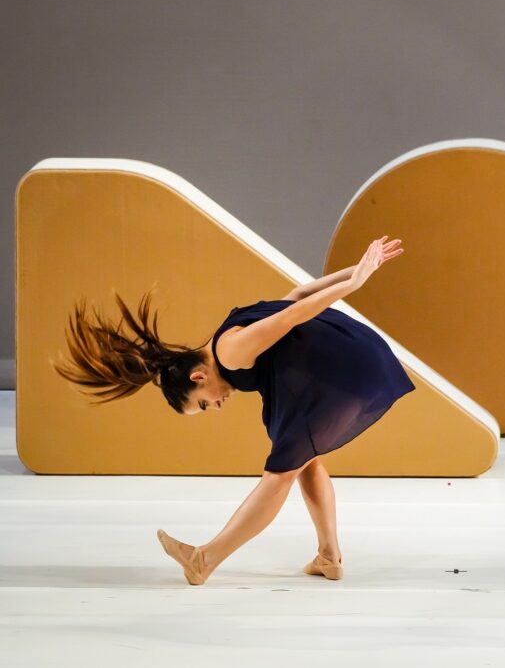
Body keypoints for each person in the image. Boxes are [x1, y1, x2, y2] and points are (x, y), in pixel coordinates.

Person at [54, 236, 414, 585]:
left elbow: (291, 316)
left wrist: (354, 281)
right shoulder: (228, 333)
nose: (216, 406)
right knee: (305, 461)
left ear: (198, 376)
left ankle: (204, 560)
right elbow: (298, 294)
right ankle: (329, 556)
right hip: (355, 362)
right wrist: (359, 268)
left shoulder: (230, 352)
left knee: (279, 475)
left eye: (204, 403)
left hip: (346, 370)